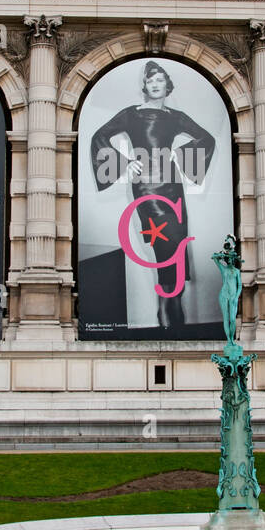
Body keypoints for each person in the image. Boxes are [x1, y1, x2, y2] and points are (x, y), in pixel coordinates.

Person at [90, 61, 216, 332]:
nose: (155, 84)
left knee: (177, 243)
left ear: (167, 85)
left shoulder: (176, 116)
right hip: (146, 186)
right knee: (164, 243)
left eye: (160, 79)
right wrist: (124, 164)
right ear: (144, 86)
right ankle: (168, 303)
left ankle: (169, 301)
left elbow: (207, 138)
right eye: (150, 80)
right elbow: (100, 137)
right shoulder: (131, 114)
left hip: (173, 185)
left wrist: (181, 155)